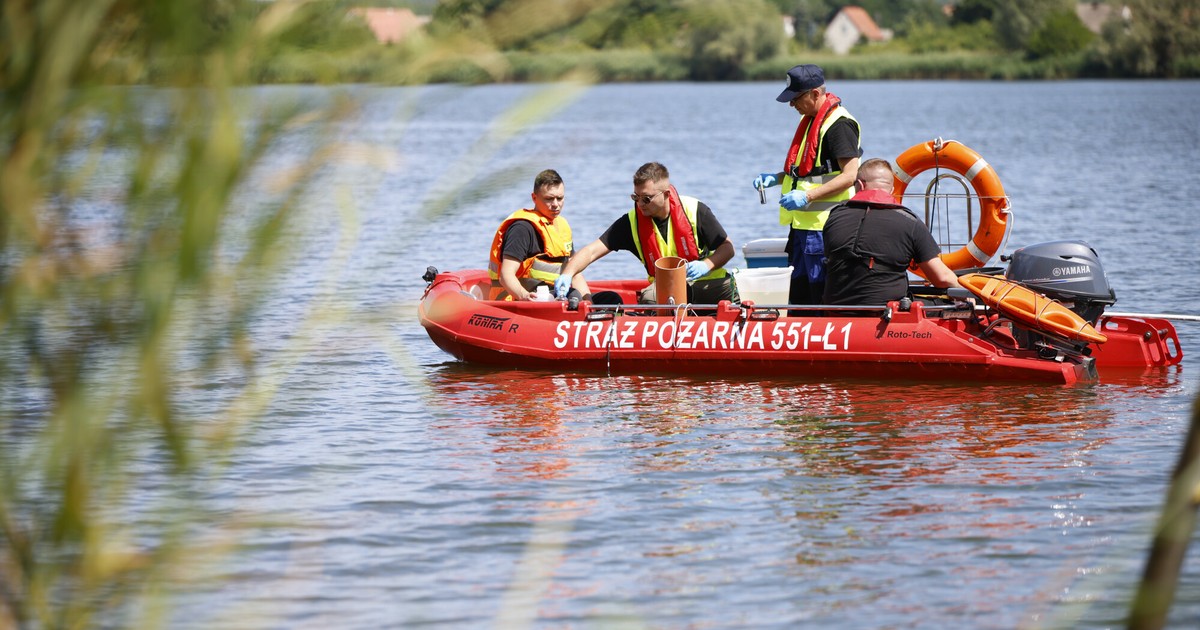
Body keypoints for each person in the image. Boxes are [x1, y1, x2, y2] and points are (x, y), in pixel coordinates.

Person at [753, 63, 862, 305]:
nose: (792, 105)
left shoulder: (839, 124)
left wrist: (807, 197)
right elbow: (809, 172)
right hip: (802, 226)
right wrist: (775, 178)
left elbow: (849, 176)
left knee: (819, 289)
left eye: (795, 98)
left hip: (823, 228)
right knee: (799, 288)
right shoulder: (812, 119)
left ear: (815, 93)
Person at [555, 162, 736, 305]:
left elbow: (728, 248)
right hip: (667, 290)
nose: (640, 204)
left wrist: (705, 265)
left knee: (734, 293)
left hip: (708, 284)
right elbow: (592, 251)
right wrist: (568, 274)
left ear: (665, 194)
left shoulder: (695, 210)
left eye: (646, 198)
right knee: (649, 298)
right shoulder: (631, 222)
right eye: (636, 197)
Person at [822, 158, 961, 306]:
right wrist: (966, 293)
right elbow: (942, 278)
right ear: (892, 191)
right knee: (953, 306)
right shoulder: (910, 222)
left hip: (836, 308)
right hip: (886, 313)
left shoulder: (835, 216)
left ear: (860, 185)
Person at [487, 169, 589, 301]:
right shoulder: (522, 229)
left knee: (610, 297)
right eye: (549, 199)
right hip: (517, 299)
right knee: (574, 296)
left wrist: (589, 304)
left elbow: (575, 273)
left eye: (560, 198)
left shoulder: (562, 225)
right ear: (534, 198)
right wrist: (524, 296)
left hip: (555, 295)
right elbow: (506, 276)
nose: (556, 205)